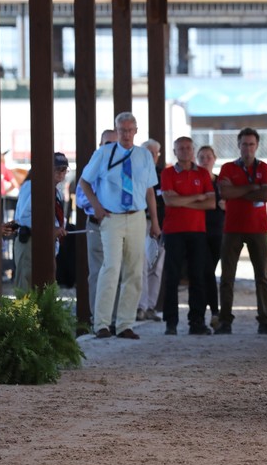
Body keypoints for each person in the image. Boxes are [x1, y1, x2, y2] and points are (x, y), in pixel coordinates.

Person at [79, 112, 161, 340]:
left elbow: (150, 190)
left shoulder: (144, 156)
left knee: (135, 270)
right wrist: (96, 206)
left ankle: (125, 323)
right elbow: (84, 181)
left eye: (129, 129)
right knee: (110, 268)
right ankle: (102, 323)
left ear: (136, 131)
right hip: (111, 217)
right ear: (116, 131)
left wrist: (154, 221)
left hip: (136, 216)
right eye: (122, 130)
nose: (126, 134)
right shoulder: (104, 153)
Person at [215, 127, 267, 335]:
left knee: (262, 276)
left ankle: (264, 320)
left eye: (251, 144)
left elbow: (265, 195)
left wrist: (238, 190)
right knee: (226, 277)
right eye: (244, 144)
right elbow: (224, 192)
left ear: (257, 145)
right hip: (232, 227)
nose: (247, 148)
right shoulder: (228, 167)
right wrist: (252, 188)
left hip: (258, 228)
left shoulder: (265, 168)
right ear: (238, 145)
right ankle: (225, 321)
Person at [160, 137, 215, 335]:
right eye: (180, 148)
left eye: (188, 148)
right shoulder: (167, 173)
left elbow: (211, 203)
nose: (185, 151)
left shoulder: (202, 173)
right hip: (173, 231)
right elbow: (169, 200)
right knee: (172, 277)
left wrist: (181, 200)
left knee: (197, 276)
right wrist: (197, 197)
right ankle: (171, 322)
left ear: (193, 150)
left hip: (197, 231)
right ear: (174, 151)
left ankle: (197, 322)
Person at [76, 129, 122, 329]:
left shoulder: (126, 167)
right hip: (98, 224)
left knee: (119, 271)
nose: (110, 147)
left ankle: (116, 319)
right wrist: (98, 207)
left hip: (121, 225)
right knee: (97, 272)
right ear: (100, 145)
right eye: (106, 143)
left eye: (114, 143)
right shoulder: (92, 168)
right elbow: (80, 197)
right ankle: (99, 320)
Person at [12, 153, 70, 291]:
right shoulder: (32, 185)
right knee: (25, 288)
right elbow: (23, 217)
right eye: (58, 169)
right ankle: (25, 313)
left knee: (46, 288)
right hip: (30, 242)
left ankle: (43, 313)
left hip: (47, 243)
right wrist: (51, 229)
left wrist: (58, 228)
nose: (62, 173)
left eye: (64, 169)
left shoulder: (56, 192)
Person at [136, 139, 165, 323]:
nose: (151, 157)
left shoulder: (164, 175)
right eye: (148, 153)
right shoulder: (137, 173)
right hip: (143, 223)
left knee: (157, 266)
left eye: (154, 154)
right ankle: (141, 306)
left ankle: (151, 306)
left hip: (162, 227)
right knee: (142, 265)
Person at [197, 145, 225, 329]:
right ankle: (213, 312)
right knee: (205, 272)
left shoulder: (221, 182)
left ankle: (213, 313)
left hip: (219, 232)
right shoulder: (195, 180)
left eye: (208, 156)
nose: (205, 160)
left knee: (209, 273)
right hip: (199, 231)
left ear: (214, 159)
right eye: (202, 157)